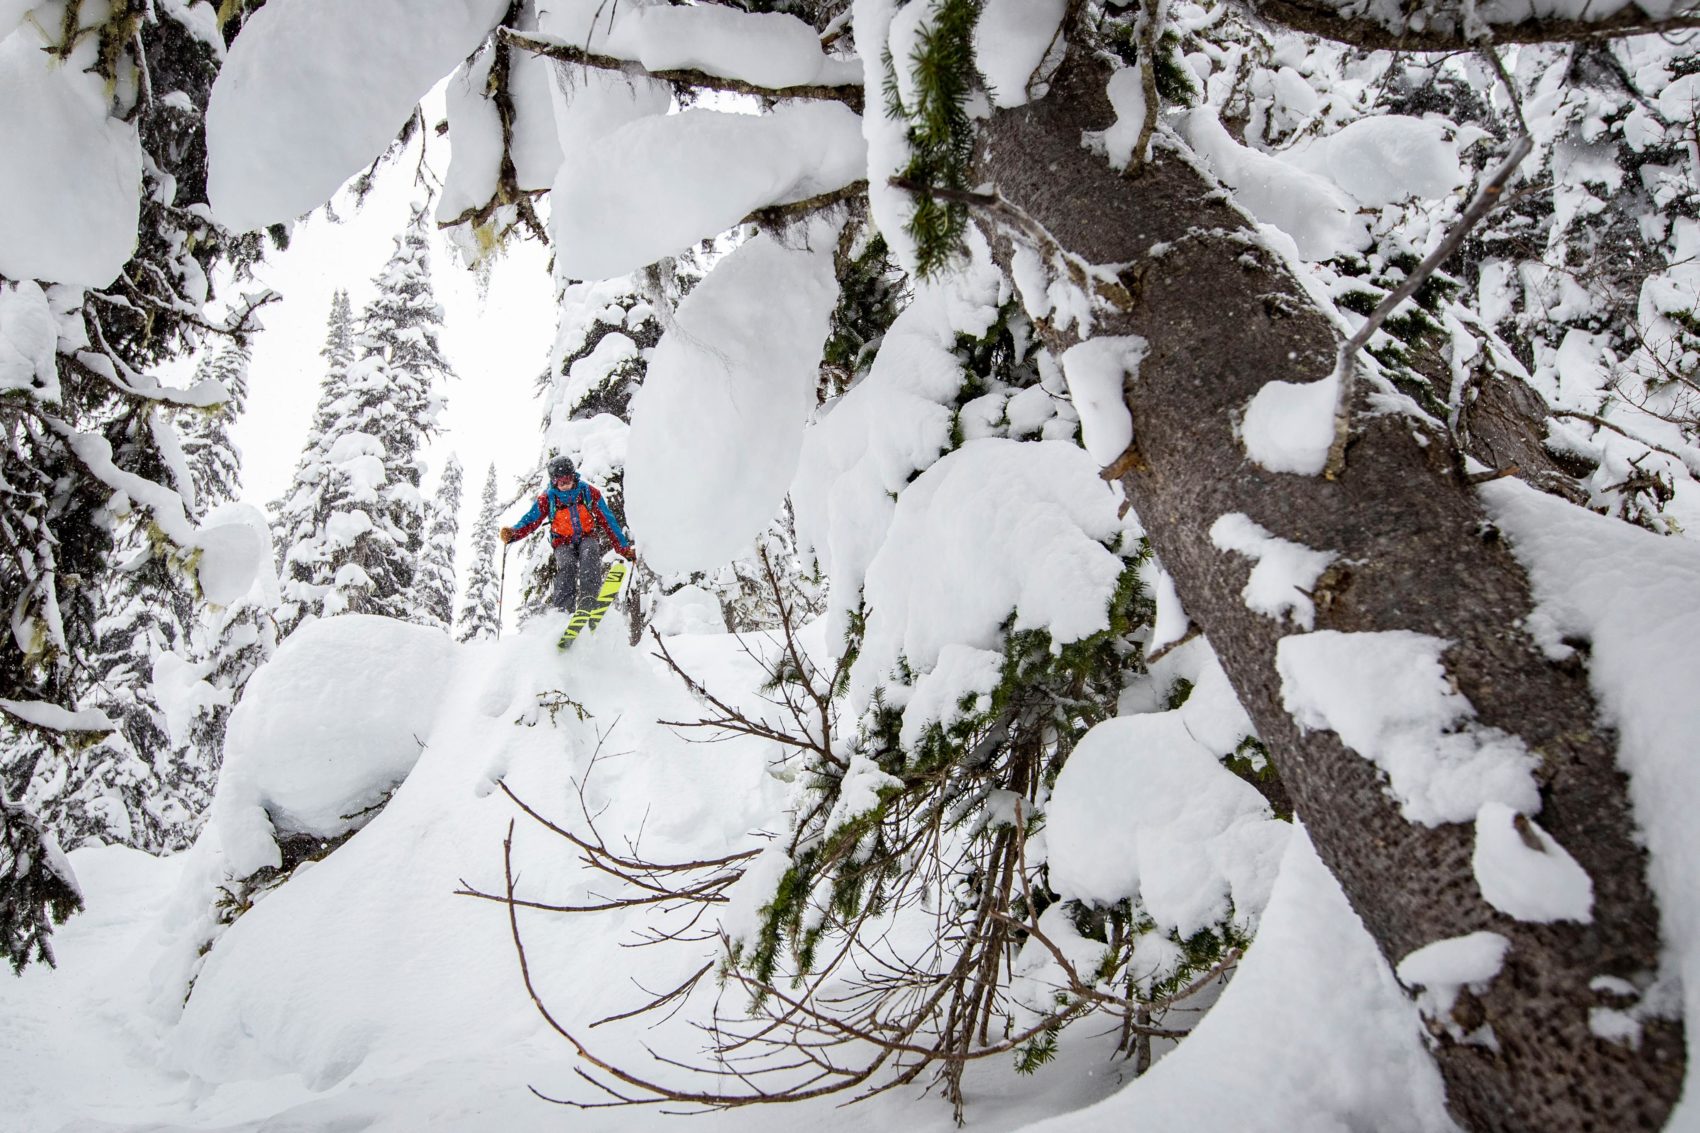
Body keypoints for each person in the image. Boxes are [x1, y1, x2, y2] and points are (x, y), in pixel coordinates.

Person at [500, 456, 635, 614]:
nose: (566, 485)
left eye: (569, 479)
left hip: (587, 537)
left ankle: (589, 599)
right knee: (567, 565)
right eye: (561, 482)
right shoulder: (548, 498)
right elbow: (531, 520)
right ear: (554, 481)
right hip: (562, 542)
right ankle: (563, 611)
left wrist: (623, 548)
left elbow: (609, 521)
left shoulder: (587, 492)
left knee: (590, 553)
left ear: (574, 476)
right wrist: (514, 533)